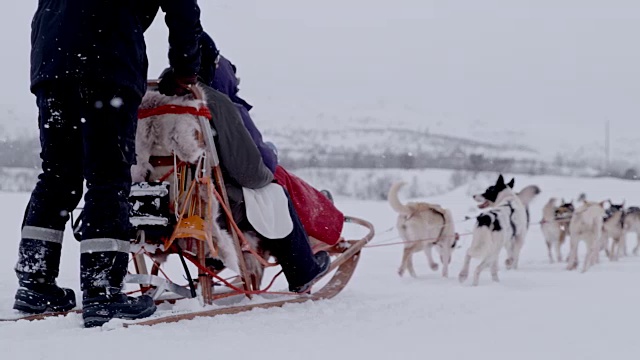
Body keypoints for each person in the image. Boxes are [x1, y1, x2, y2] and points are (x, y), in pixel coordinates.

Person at [16, 0, 203, 328]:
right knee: (109, 176)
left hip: (52, 61)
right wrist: (185, 69)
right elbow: (182, 8)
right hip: (107, 58)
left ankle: (35, 283)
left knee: (58, 174)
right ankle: (103, 293)